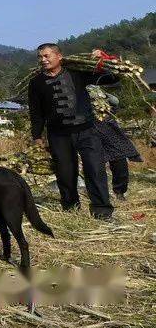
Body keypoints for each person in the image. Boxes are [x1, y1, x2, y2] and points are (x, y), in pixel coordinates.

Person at [27, 45, 115, 219]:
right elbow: (36, 112)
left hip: (86, 130)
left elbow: (111, 78)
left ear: (59, 56)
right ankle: (70, 209)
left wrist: (102, 59)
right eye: (40, 57)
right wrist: (37, 136)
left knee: (95, 169)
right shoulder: (36, 83)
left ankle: (102, 211)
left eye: (47, 56)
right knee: (65, 173)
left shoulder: (77, 73)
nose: (43, 60)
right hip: (58, 135)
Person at [88, 84, 141, 200]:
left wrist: (103, 95)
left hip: (109, 132)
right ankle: (98, 194)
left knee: (119, 162)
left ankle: (119, 192)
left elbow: (115, 101)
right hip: (89, 132)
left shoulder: (100, 95)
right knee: (94, 164)